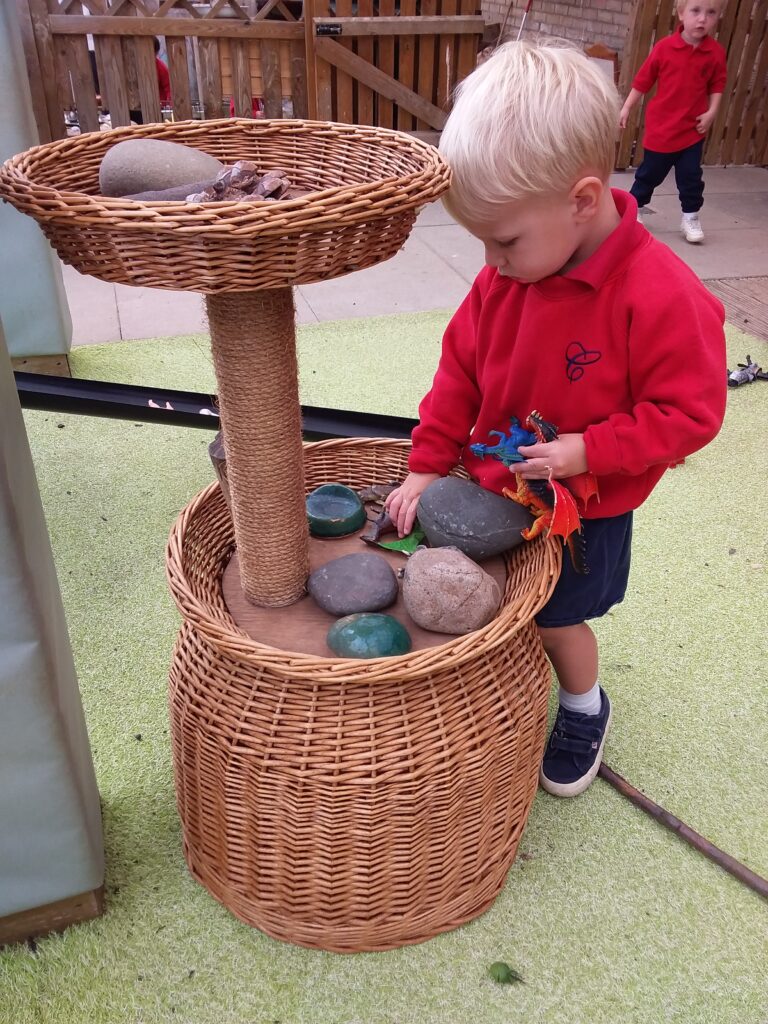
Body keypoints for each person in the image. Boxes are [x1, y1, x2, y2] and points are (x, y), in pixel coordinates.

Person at [385, 40, 726, 798]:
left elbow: (693, 415)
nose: (490, 260)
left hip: (587, 506)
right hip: (499, 484)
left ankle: (582, 704)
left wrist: (588, 451)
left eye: (504, 239)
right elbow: (458, 375)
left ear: (579, 200)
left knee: (555, 617)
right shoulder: (504, 279)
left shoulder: (661, 295)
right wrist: (423, 463)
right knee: (489, 590)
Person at [618, 0, 727, 244]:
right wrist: (626, 107)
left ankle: (691, 215)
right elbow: (643, 81)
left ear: (717, 17)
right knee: (650, 174)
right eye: (696, 11)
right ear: (681, 14)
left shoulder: (715, 53)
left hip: (692, 130)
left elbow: (718, 84)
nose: (702, 19)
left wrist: (711, 113)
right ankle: (634, 208)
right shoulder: (664, 48)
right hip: (662, 129)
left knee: (690, 176)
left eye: (711, 13)